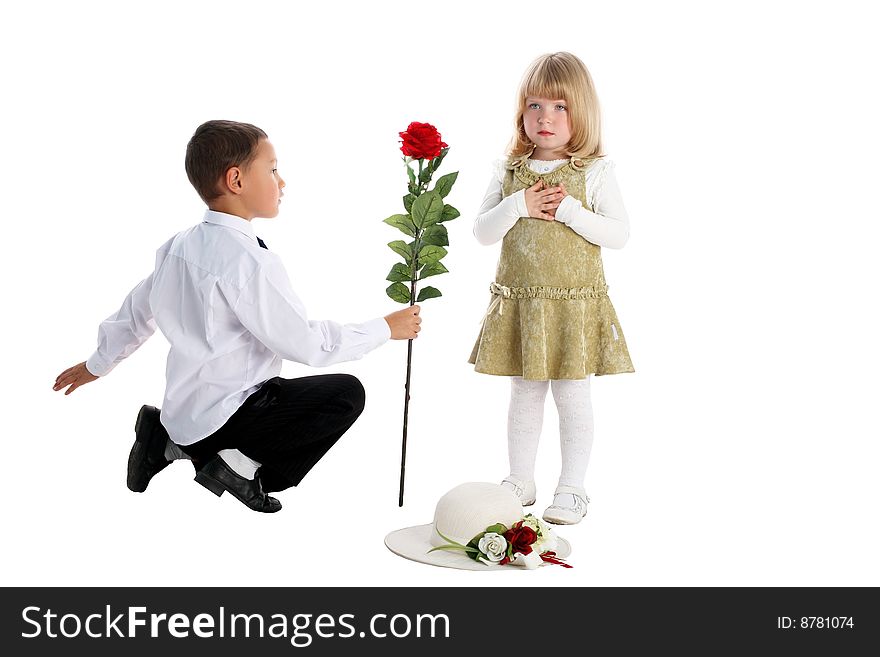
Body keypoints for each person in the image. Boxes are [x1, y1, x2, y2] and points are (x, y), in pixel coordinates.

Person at [53, 120, 422, 513]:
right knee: (345, 395)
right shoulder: (250, 264)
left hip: (185, 415)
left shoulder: (179, 245)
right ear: (236, 180)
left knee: (261, 405)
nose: (282, 182)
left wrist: (98, 364)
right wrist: (384, 328)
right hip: (229, 418)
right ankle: (238, 467)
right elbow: (307, 345)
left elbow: (137, 311)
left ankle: (167, 442)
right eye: (273, 169)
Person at [468, 53, 633, 525]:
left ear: (582, 113)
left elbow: (619, 234)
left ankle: (573, 487)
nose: (546, 118)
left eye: (560, 107)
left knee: (572, 395)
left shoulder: (594, 171)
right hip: (523, 304)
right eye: (535, 106)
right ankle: (520, 478)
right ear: (521, 112)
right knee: (524, 392)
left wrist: (572, 213)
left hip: (571, 307)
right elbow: (482, 232)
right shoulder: (509, 170)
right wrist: (518, 204)